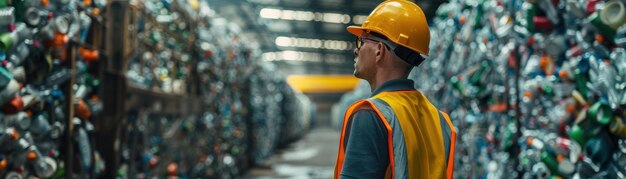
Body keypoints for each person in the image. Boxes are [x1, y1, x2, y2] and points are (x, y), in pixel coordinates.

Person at [333, 0, 457, 178]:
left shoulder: (372, 115)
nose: (356, 51)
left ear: (379, 50)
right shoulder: (439, 120)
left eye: (361, 41)